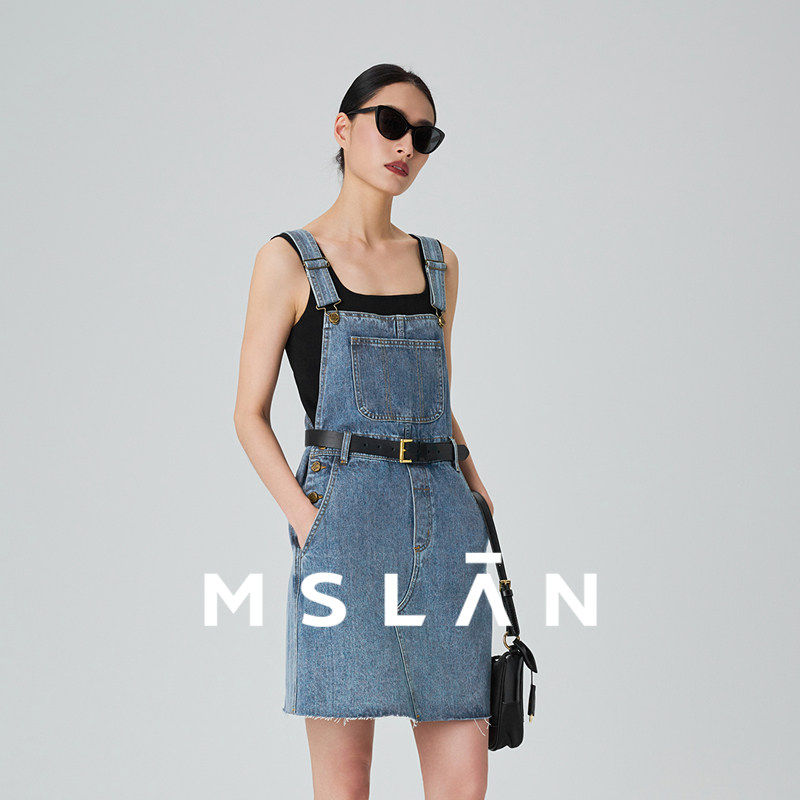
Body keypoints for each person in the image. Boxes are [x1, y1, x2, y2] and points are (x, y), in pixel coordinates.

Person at [234, 63, 495, 799]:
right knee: (345, 785)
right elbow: (247, 414)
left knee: (463, 782)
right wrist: (309, 523)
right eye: (391, 124)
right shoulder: (289, 260)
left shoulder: (439, 265)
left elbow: (437, 401)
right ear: (343, 128)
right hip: (342, 526)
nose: (406, 145)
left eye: (424, 136)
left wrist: (479, 497)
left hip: (446, 524)